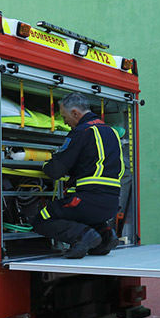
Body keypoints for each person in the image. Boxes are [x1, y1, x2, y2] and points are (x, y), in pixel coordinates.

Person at [32, 92, 123, 258]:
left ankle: (83, 236)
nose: (66, 122)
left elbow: (55, 171)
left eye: (65, 117)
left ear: (75, 113)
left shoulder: (82, 131)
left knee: (41, 219)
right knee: (88, 215)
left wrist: (46, 164)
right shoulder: (112, 133)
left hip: (87, 200)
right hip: (111, 203)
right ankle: (106, 237)